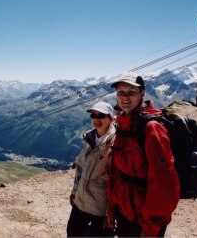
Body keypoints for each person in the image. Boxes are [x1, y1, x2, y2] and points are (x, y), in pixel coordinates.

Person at [106, 72, 180, 237]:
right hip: (124, 212)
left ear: (142, 93)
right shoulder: (123, 125)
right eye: (120, 92)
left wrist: (150, 228)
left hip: (143, 219)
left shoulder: (151, 128)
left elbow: (165, 183)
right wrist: (112, 208)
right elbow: (116, 172)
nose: (125, 97)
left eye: (131, 92)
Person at [67, 101, 116, 237]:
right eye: (93, 115)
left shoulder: (115, 143)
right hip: (80, 201)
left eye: (101, 115)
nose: (96, 119)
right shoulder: (89, 138)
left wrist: (110, 212)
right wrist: (74, 191)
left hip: (99, 206)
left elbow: (115, 179)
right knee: (72, 233)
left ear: (110, 118)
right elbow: (80, 168)